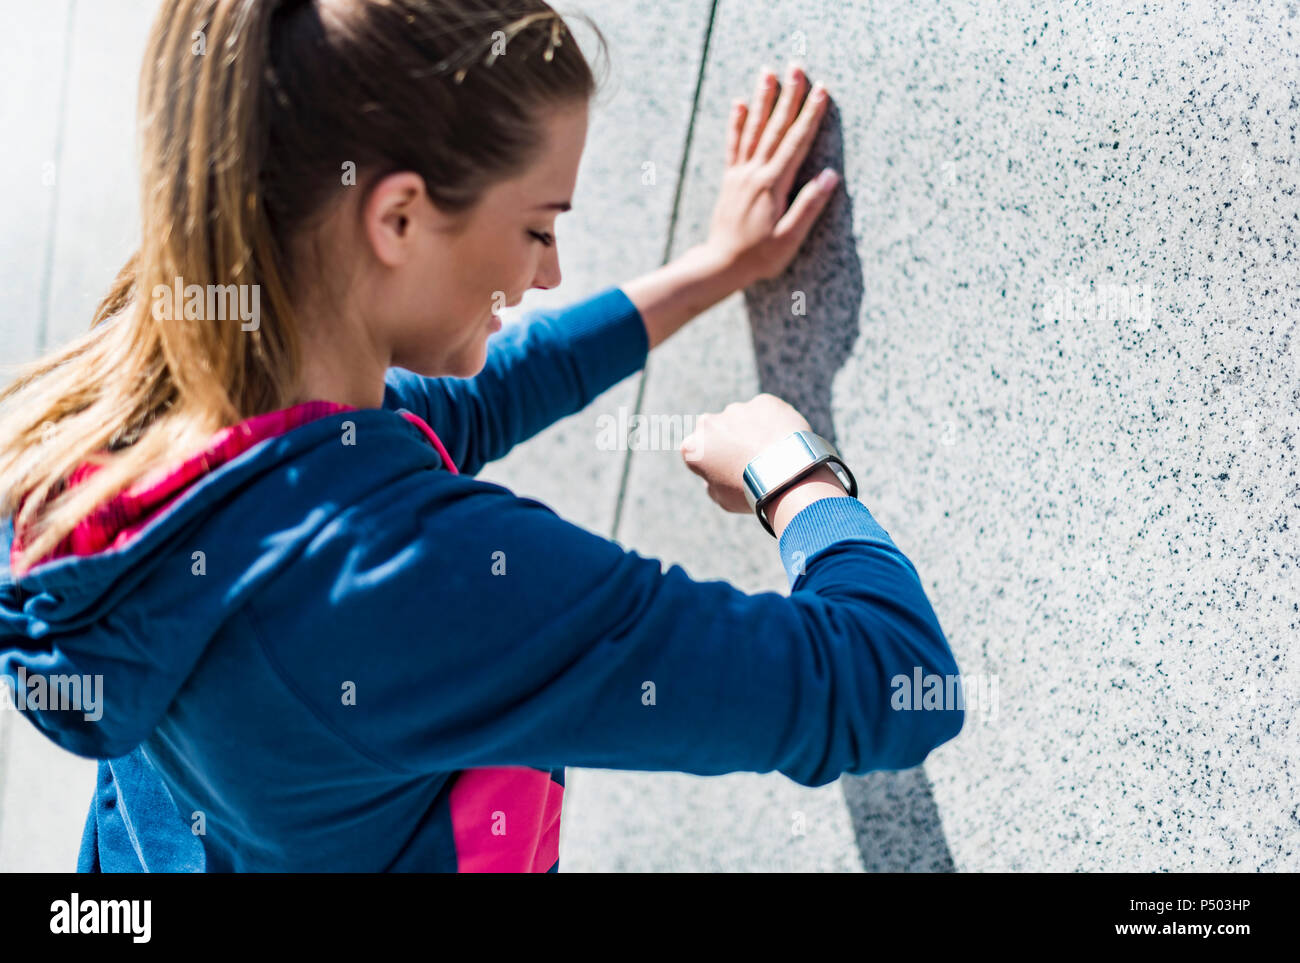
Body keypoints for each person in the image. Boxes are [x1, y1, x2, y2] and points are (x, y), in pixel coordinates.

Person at [0, 0, 962, 872]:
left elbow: (480, 394)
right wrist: (791, 471)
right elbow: (889, 678)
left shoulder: (135, 410)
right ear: (400, 217)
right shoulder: (407, 579)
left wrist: (713, 268)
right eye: (540, 227)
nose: (549, 273)